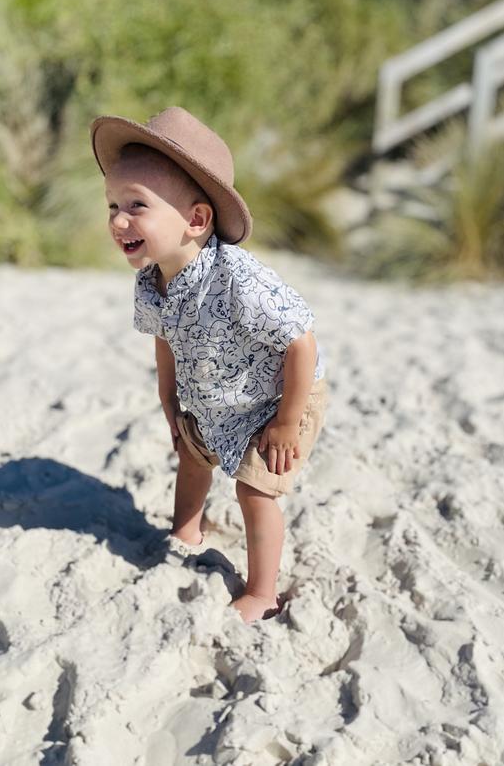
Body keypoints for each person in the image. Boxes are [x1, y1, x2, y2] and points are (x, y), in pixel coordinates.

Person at [90, 106, 329, 624]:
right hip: (210, 393)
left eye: (136, 205)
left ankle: (263, 593)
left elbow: (300, 343)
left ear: (196, 220)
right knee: (193, 453)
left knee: (253, 489)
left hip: (280, 395)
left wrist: (287, 423)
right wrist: (168, 400)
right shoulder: (151, 280)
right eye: (112, 205)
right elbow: (164, 339)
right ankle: (186, 532)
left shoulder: (237, 279)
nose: (117, 220)